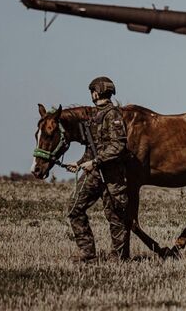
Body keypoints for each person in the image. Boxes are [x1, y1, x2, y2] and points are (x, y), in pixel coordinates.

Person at [65, 77, 130, 263]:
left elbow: (118, 146)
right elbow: (92, 147)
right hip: (93, 173)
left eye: (92, 91)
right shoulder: (94, 116)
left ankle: (118, 257)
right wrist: (79, 163)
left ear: (97, 92)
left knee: (115, 216)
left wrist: (95, 162)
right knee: (74, 208)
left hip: (111, 175)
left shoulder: (113, 115)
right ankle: (87, 253)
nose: (91, 94)